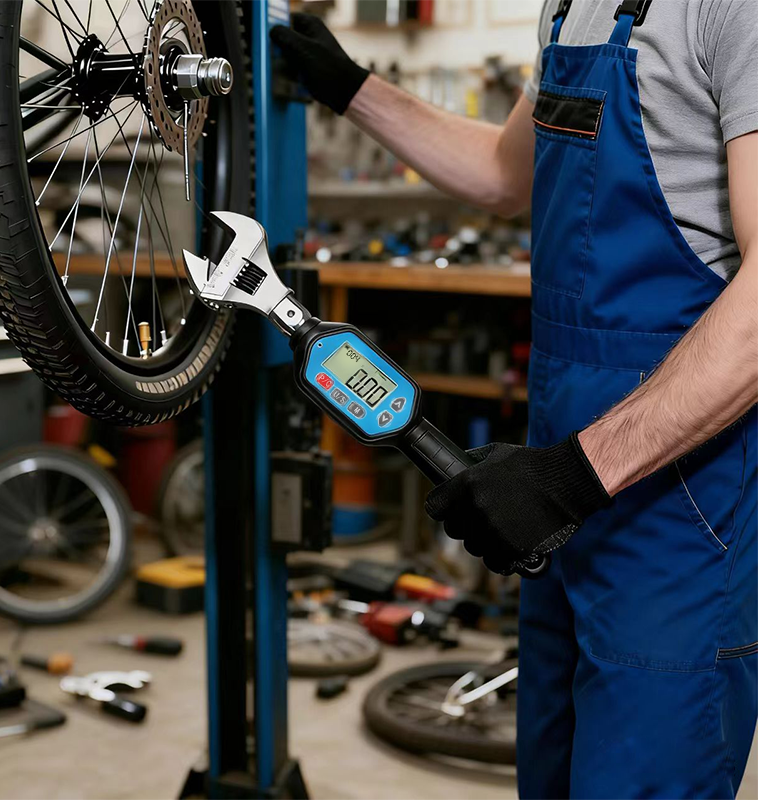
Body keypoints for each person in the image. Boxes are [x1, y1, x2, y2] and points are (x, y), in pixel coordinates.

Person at [271, 1, 757, 797]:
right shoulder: (567, 8)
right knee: (552, 770)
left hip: (677, 496)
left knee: (645, 771)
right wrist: (353, 88)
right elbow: (503, 174)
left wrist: (571, 476)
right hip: (562, 465)